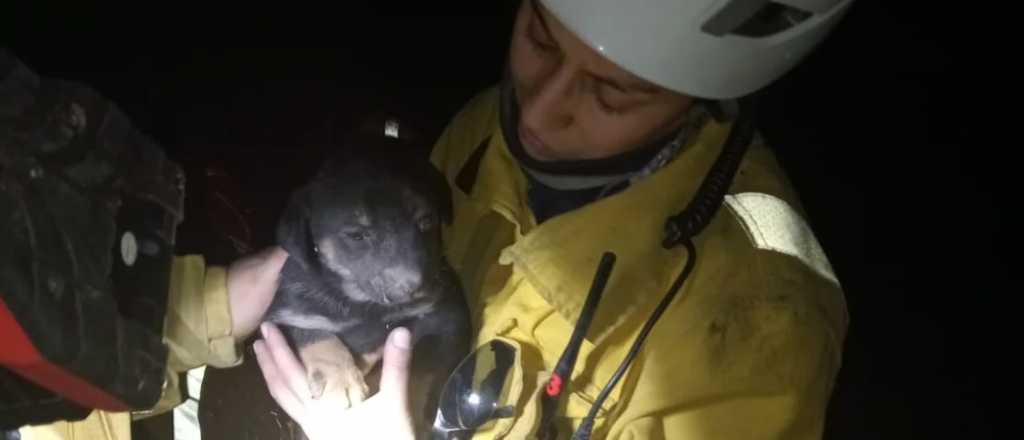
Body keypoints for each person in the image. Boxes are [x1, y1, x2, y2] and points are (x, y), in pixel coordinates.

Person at [11, 0, 854, 438]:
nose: (540, 111)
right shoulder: (487, 127)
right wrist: (329, 341)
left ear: (706, 99)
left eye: (612, 93)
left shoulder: (759, 328)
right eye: (540, 37)